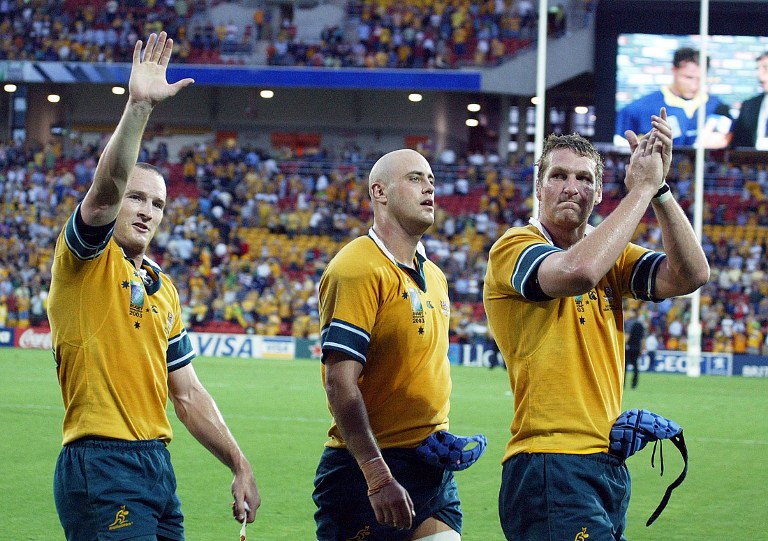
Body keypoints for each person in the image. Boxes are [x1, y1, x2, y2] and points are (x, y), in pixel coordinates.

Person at [48, 33, 260, 540]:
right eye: (137, 198)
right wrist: (138, 107)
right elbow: (104, 192)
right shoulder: (84, 260)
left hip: (155, 466)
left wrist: (238, 461)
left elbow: (185, 393)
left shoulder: (163, 288)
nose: (147, 210)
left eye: (159, 204)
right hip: (101, 462)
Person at [483, 108, 710, 540]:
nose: (572, 187)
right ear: (538, 187)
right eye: (559, 176)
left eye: (585, 179)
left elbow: (691, 275)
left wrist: (659, 190)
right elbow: (579, 271)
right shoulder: (514, 246)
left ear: (599, 192)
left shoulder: (611, 255)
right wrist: (640, 191)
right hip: (550, 461)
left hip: (605, 463)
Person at [313, 149, 463, 540]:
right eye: (415, 179)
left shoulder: (435, 275)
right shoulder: (356, 268)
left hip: (431, 465)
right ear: (379, 192)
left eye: (431, 179)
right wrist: (377, 475)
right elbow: (339, 383)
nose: (429, 187)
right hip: (365, 470)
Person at [615, 47, 732, 148]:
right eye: (688, 77)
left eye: (700, 78)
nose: (694, 85)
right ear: (674, 70)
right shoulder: (640, 108)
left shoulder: (718, 107)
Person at [730, 51, 768, 149]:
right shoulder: (749, 106)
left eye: (765, 68)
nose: (759, 75)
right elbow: (737, 146)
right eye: (757, 69)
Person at [624, 312, 645, 389]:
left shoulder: (629, 323)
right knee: (635, 366)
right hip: (637, 348)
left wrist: (623, 344)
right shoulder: (640, 325)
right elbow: (643, 338)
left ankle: (623, 383)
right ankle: (634, 384)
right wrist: (642, 348)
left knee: (624, 366)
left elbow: (628, 335)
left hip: (629, 347)